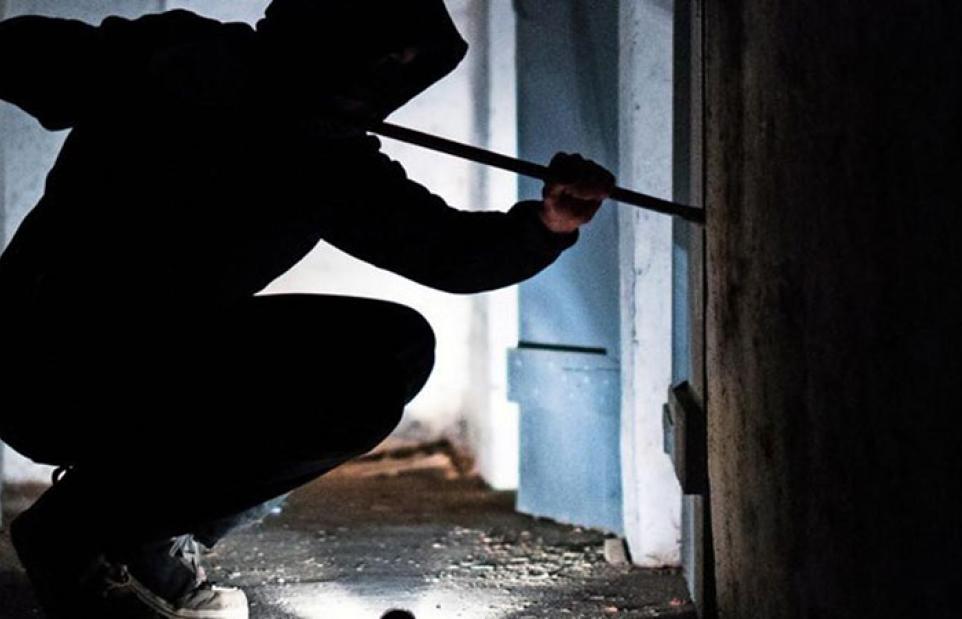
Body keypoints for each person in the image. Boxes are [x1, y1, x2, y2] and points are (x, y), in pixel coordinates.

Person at [0, 1, 616, 617]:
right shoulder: (181, 58)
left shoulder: (327, 158)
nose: (380, 83)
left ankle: (134, 527)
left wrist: (549, 223)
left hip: (161, 368)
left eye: (398, 69)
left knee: (388, 351)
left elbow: (450, 252)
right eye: (377, 59)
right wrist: (151, 75)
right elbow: (21, 53)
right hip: (40, 362)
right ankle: (79, 531)